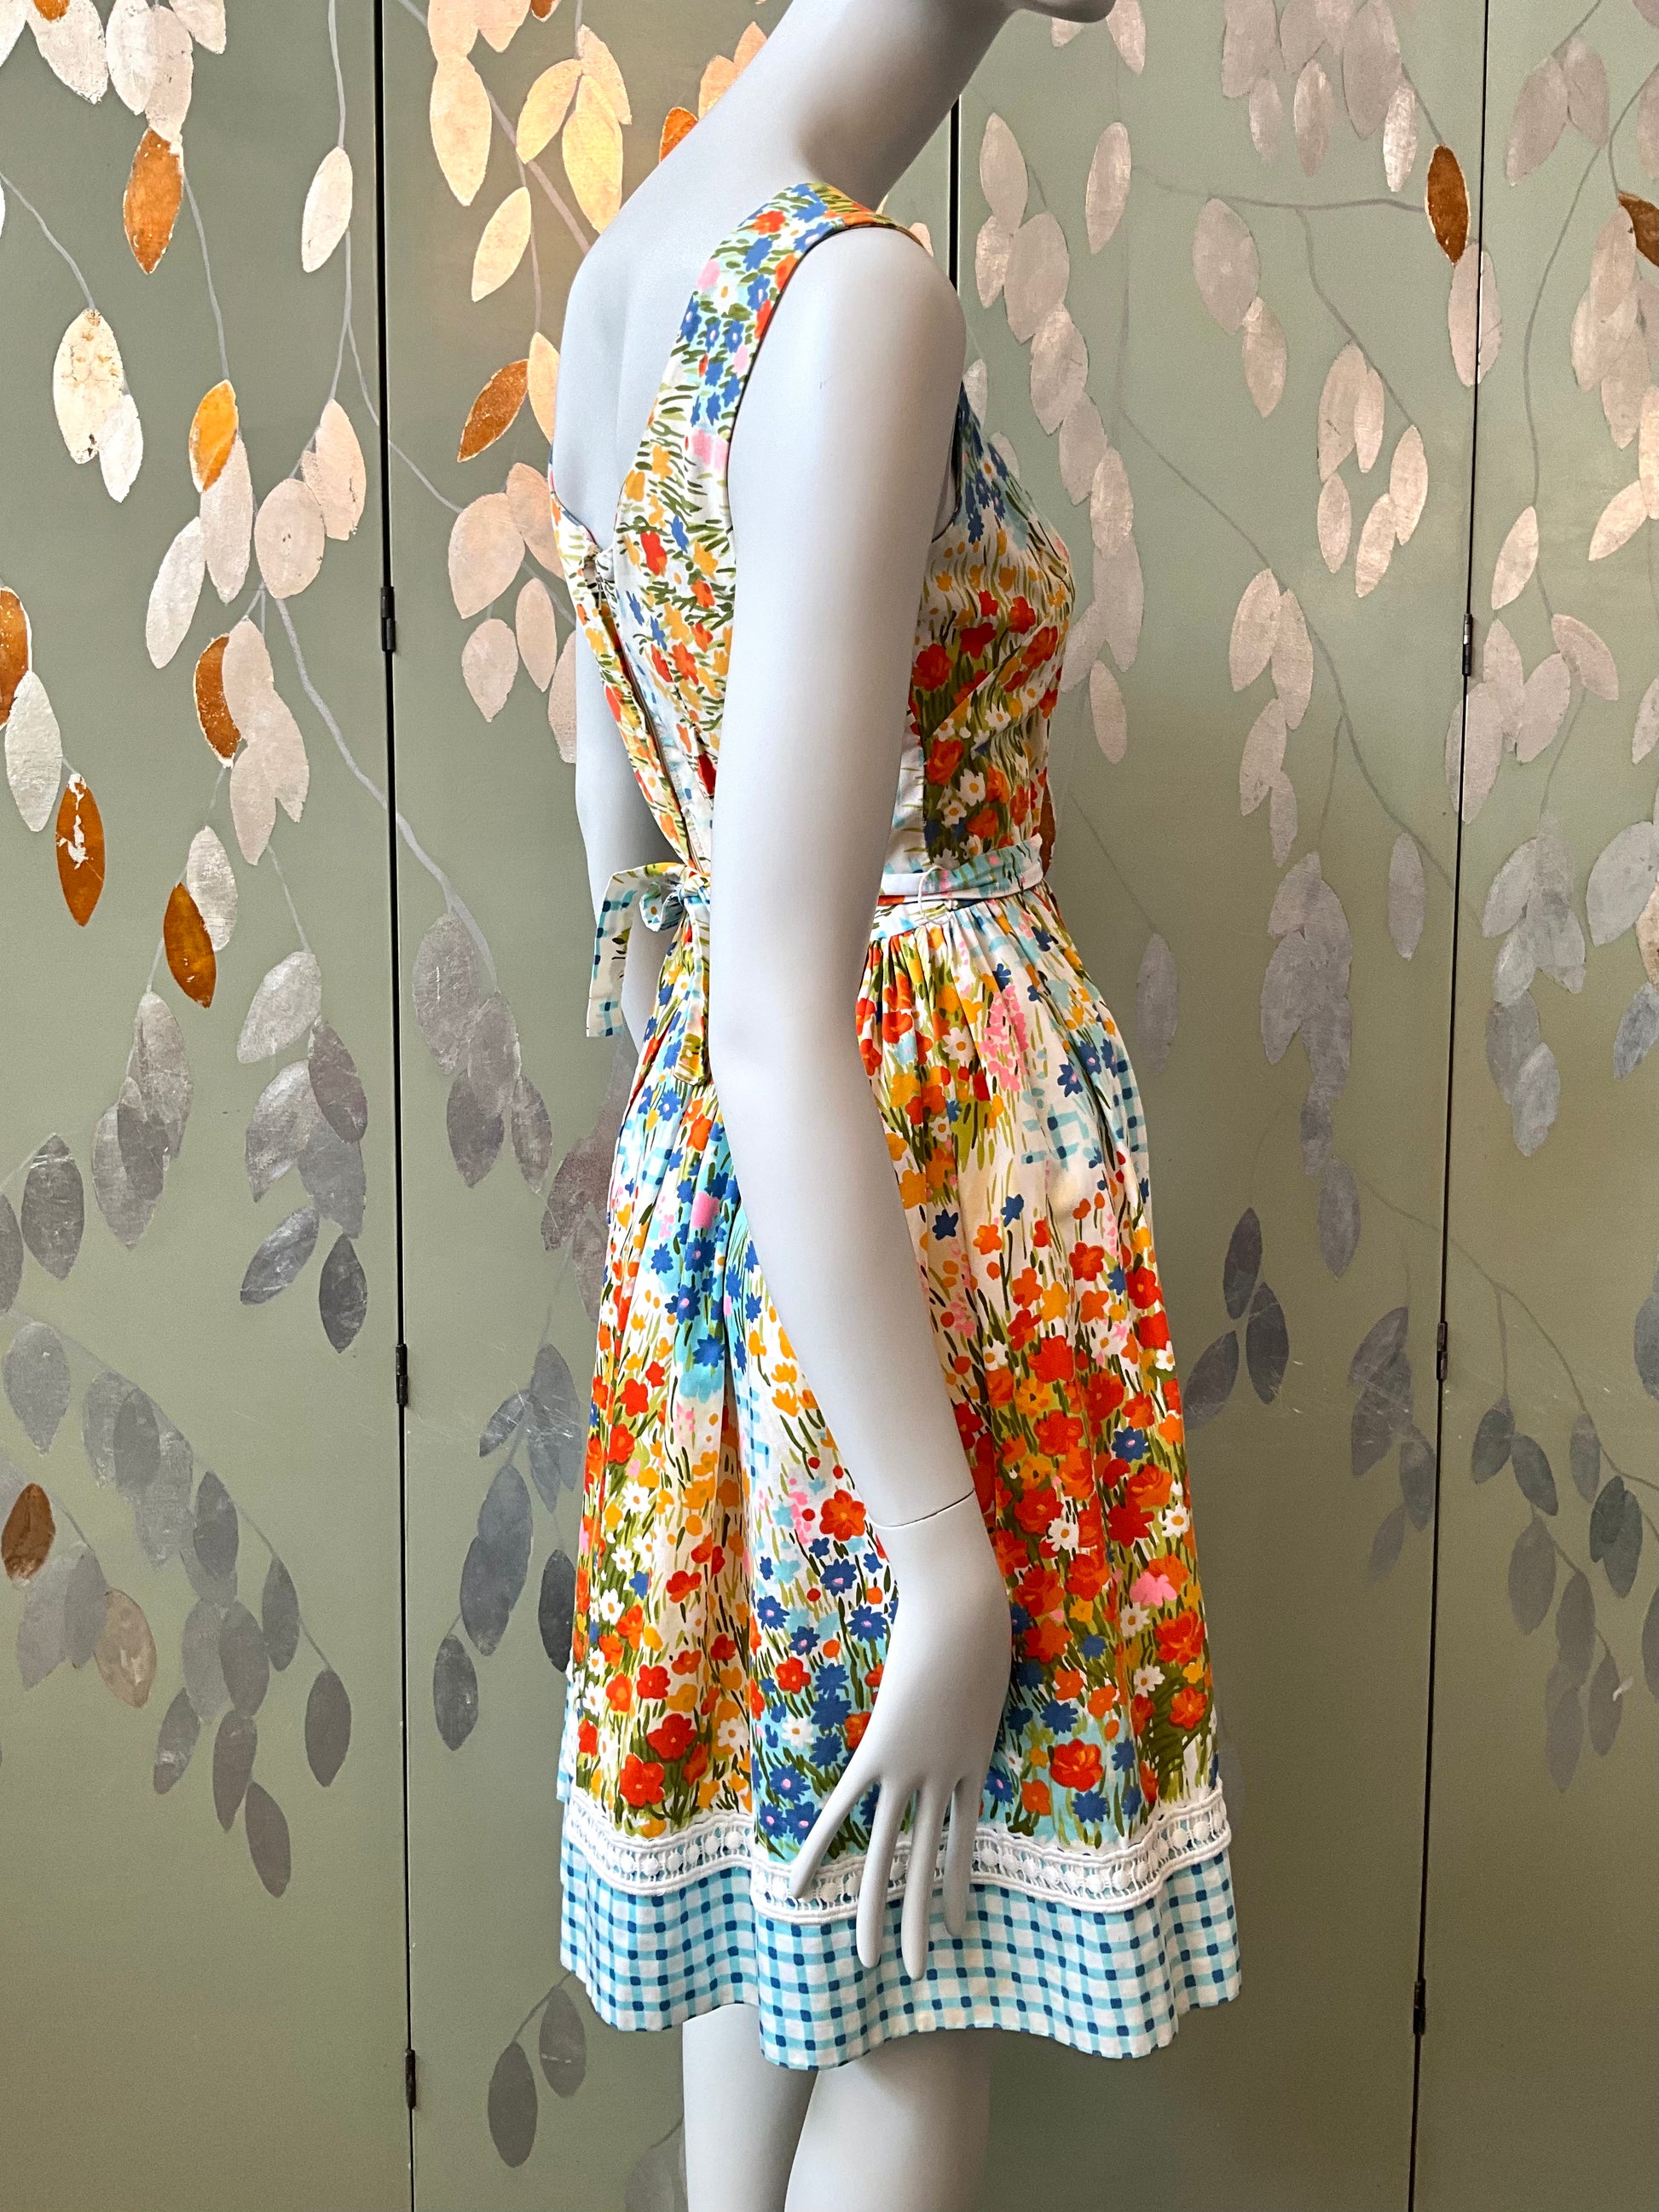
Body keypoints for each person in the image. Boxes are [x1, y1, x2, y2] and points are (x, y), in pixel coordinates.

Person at [549, 3, 1238, 2204]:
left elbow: (630, 870)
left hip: (752, 1215)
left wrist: (714, 1229)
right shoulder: (854, 299)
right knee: (908, 1966)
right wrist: (939, 1559)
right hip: (904, 1214)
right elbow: (774, 995)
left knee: (783, 1906)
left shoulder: (622, 279)